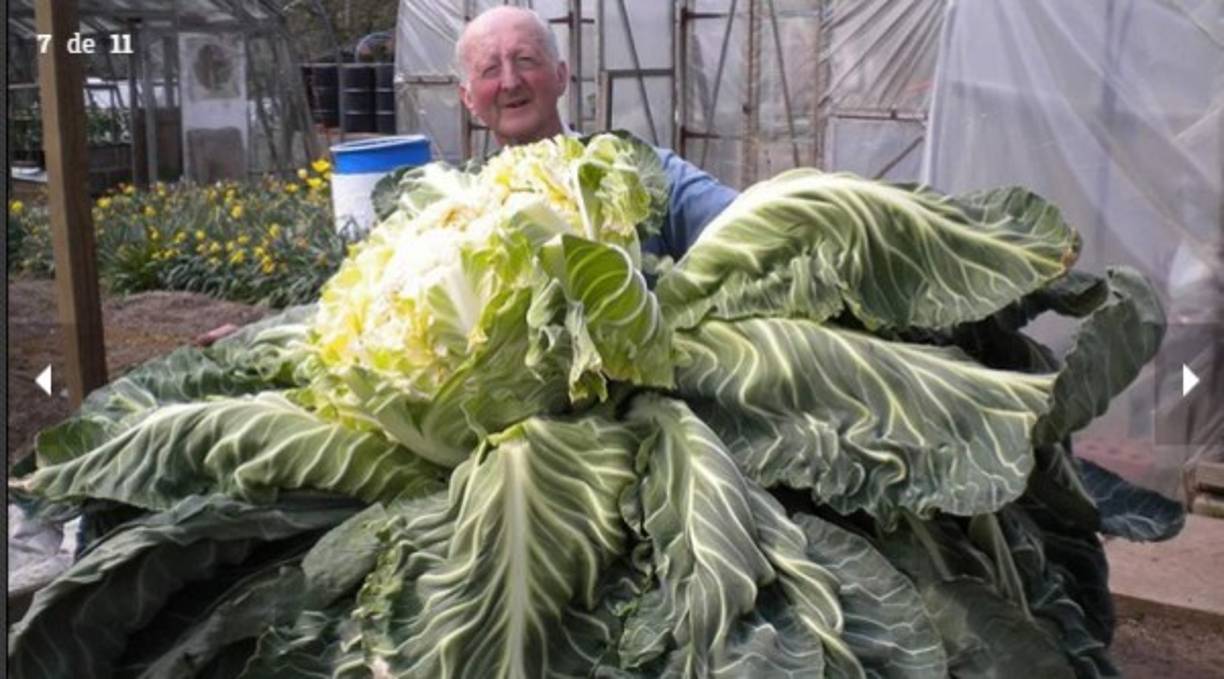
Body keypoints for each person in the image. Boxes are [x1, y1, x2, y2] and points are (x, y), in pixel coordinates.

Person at [455, 5, 737, 261]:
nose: (510, 82)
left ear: (561, 76)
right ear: (467, 98)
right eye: (490, 69)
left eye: (526, 60)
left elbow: (746, 220)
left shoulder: (641, 175)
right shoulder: (457, 208)